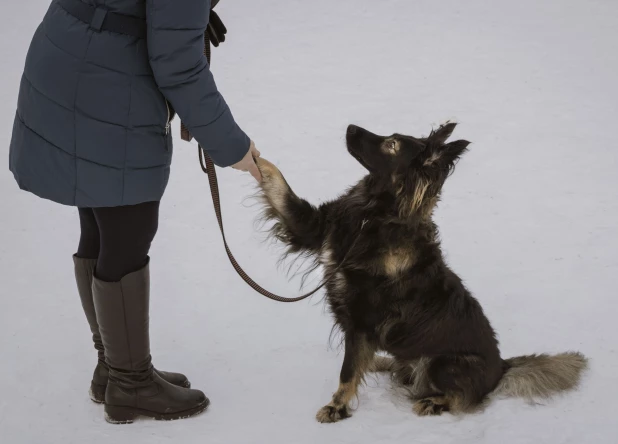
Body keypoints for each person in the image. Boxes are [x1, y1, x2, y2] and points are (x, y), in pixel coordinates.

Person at [8, 0, 261, 424]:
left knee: (103, 211)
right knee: (129, 223)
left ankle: (114, 366)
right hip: (105, 81)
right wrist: (232, 146)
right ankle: (131, 384)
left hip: (73, 55)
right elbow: (179, 67)